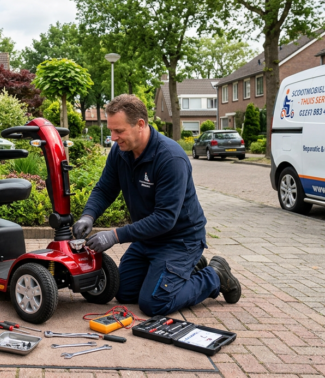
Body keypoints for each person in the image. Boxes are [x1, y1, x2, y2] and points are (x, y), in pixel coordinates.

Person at [72, 94, 241, 316]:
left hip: (180, 240)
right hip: (148, 239)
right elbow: (105, 189)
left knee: (154, 302)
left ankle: (215, 275)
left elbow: (165, 219)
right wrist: (88, 216)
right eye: (111, 130)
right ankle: (186, 269)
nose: (113, 137)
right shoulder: (120, 152)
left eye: (119, 131)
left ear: (140, 124)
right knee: (123, 293)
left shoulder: (170, 158)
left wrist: (114, 235)